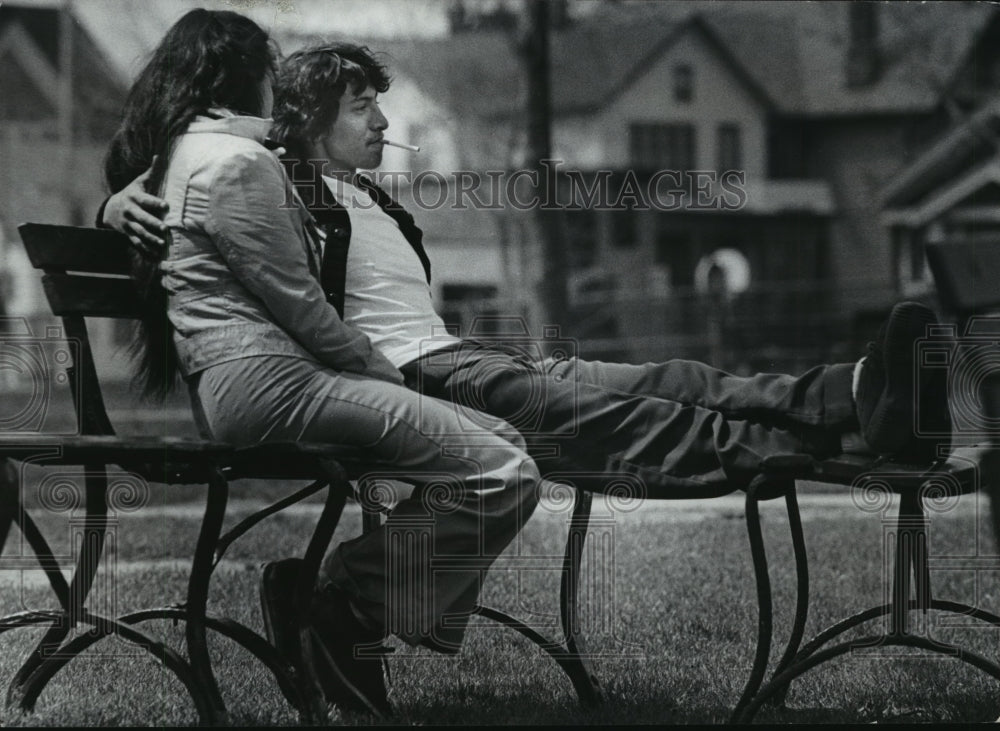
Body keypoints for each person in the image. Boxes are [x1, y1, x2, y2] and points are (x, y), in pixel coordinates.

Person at [103, 36, 952, 716]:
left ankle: (855, 391)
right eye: (361, 106)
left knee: (668, 377)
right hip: (410, 377)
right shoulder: (275, 176)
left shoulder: (371, 196)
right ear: (304, 116)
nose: (382, 123)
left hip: (461, 358)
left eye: (379, 106)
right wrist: (115, 199)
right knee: (627, 422)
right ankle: (834, 435)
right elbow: (170, 162)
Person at [100, 11, 542, 718]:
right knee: (504, 467)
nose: (277, 85)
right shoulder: (234, 163)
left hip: (270, 379)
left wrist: (114, 202)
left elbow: (183, 192)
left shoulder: (192, 153)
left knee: (504, 449)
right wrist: (385, 373)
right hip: (272, 382)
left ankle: (340, 609)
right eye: (269, 71)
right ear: (240, 75)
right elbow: (302, 307)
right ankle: (338, 606)